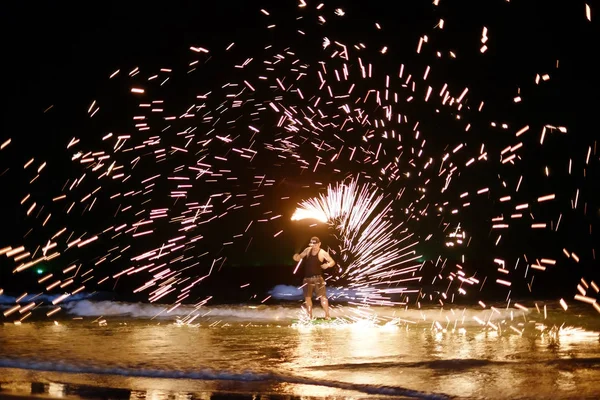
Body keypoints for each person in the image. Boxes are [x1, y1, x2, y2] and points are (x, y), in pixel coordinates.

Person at [292, 236, 335, 319]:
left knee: (323, 297)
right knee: (307, 298)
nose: (313, 246)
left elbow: (332, 261)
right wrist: (295, 257)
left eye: (315, 244)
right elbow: (299, 258)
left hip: (318, 279)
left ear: (319, 244)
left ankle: (327, 315)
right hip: (307, 279)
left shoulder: (322, 252)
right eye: (312, 244)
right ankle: (309, 316)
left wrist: (328, 265)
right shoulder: (308, 250)